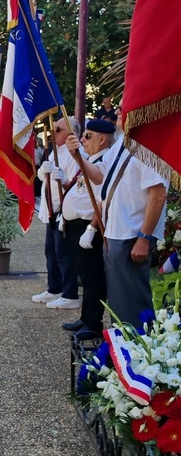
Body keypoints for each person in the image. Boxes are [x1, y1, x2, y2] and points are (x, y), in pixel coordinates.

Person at [66, 108, 168, 329]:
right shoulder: (123, 144)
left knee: (132, 301)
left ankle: (138, 353)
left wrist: (144, 237)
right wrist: (78, 157)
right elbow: (100, 176)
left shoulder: (149, 146)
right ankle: (122, 351)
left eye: (125, 108)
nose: (118, 112)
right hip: (114, 231)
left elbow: (158, 194)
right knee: (119, 301)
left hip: (132, 234)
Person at [57, 120, 114, 337]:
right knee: (85, 274)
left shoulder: (105, 160)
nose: (82, 140)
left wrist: (91, 228)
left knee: (93, 276)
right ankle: (86, 318)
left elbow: (101, 191)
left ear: (102, 139)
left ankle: (94, 323)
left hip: (89, 225)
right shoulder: (93, 158)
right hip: (76, 224)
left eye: (87, 136)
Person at [32, 117, 84, 308]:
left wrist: (62, 180)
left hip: (63, 210)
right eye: (54, 129)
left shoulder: (75, 154)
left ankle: (70, 294)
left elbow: (78, 184)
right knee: (51, 251)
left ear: (72, 133)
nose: (53, 132)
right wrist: (42, 171)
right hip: (50, 209)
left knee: (64, 254)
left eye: (59, 129)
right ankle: (54, 288)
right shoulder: (57, 151)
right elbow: (46, 177)